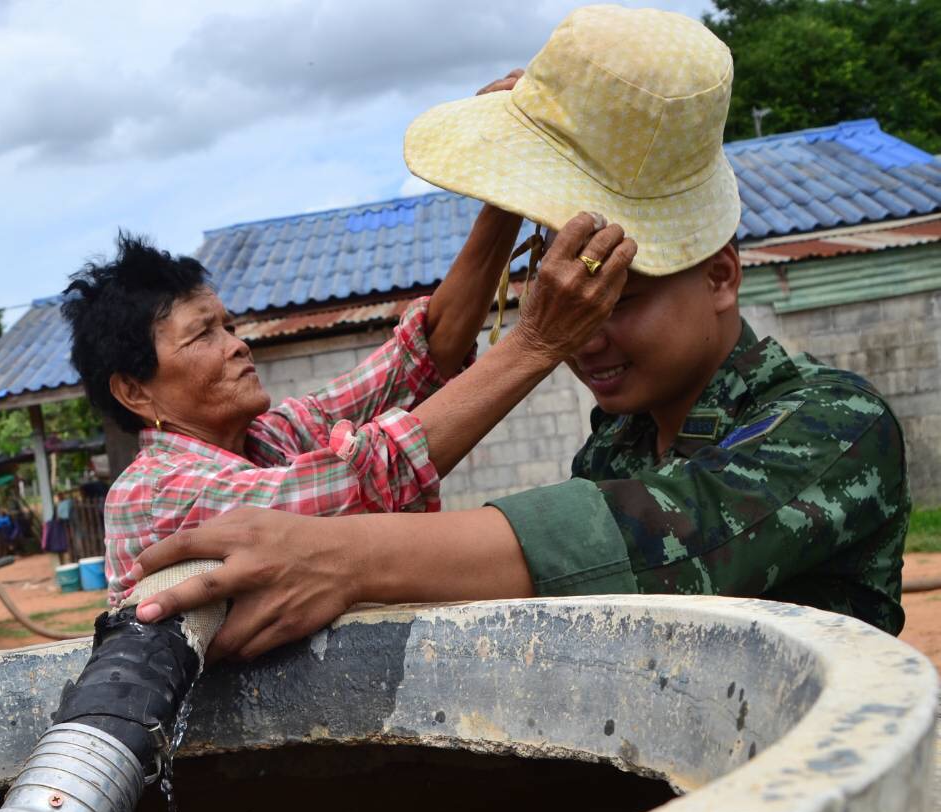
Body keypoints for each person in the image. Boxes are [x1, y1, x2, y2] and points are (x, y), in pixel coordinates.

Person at [129, 5, 909, 656]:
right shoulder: (616, 443)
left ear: (720, 275)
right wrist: (507, 199)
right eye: (567, 297)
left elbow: (642, 537)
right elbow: (417, 374)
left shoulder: (833, 425)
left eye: (617, 297)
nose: (586, 337)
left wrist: (338, 556)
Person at [65, 77, 638, 604]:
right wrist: (536, 342)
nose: (238, 346)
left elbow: (419, 356)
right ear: (135, 392)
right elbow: (367, 480)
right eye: (202, 335)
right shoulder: (152, 493)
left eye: (230, 328)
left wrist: (501, 195)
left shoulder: (268, 438)